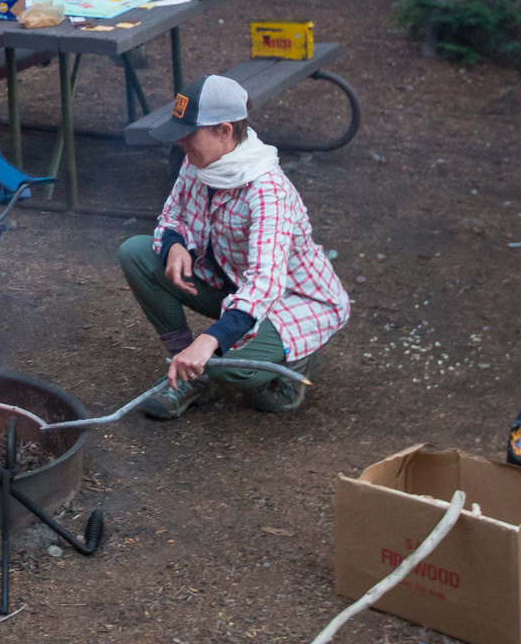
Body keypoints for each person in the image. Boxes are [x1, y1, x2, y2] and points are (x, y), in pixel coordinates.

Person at [117, 75, 349, 418]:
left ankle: (298, 358)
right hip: (232, 282)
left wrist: (210, 339)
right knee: (135, 253)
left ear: (225, 131)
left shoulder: (268, 190)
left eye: (189, 133)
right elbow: (172, 216)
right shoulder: (198, 161)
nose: (181, 141)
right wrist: (175, 246)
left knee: (231, 371)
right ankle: (188, 375)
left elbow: (266, 283)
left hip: (293, 298)